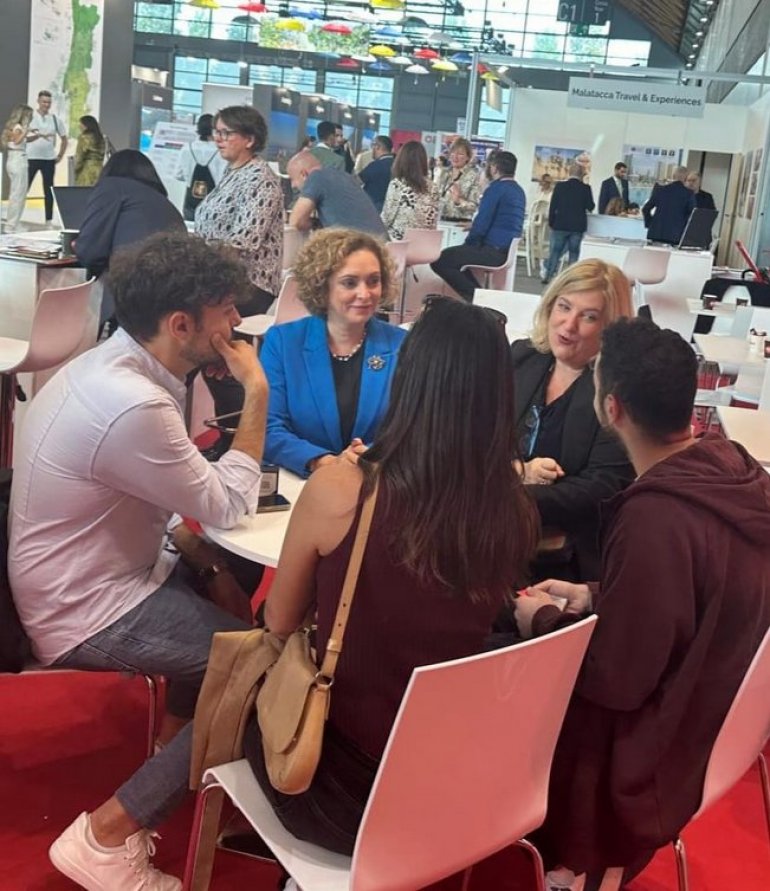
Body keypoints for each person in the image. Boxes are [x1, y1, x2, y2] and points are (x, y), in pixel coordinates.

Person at [8, 232, 270, 890]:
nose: (236, 322)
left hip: (97, 571)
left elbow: (170, 498)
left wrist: (199, 554)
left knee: (227, 577)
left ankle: (175, 746)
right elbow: (227, 503)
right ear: (181, 324)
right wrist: (258, 392)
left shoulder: (115, 366)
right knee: (260, 670)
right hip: (86, 606)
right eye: (225, 311)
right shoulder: (135, 401)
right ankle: (106, 836)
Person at [242, 296, 540, 863]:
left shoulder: (344, 490)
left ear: (409, 380)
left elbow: (278, 620)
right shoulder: (512, 510)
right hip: (450, 789)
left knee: (244, 677)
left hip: (334, 788)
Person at [515, 317, 770, 889]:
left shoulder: (656, 515)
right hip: (712, 723)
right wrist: (596, 594)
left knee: (511, 686)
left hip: (650, 753)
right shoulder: (735, 472)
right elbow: (701, 589)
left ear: (612, 409)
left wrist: (544, 620)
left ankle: (559, 863)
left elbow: (616, 681)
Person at [511, 259, 634, 580]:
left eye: (588, 317)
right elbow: (475, 440)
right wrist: (518, 472)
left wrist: (507, 495)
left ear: (610, 328)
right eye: (564, 307)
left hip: (564, 556)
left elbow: (602, 487)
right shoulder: (521, 358)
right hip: (488, 533)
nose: (568, 325)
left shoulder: (617, 390)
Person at [261, 228, 407, 477]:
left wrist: (365, 458)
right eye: (350, 283)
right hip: (302, 481)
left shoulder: (403, 345)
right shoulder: (283, 342)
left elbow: (412, 428)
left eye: (374, 281)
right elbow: (267, 427)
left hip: (378, 479)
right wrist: (322, 462)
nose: (365, 294)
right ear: (322, 286)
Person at [195, 105, 284, 455]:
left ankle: (239, 446)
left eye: (226, 133)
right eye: (216, 132)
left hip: (248, 284)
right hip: (222, 279)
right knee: (209, 356)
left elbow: (245, 240)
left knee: (216, 353)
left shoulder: (261, 179)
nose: (218, 139)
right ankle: (229, 442)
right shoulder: (233, 172)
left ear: (249, 139)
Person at [75, 149, 186, 329]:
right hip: (171, 295)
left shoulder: (111, 186)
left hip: (131, 292)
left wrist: (77, 246)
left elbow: (90, 251)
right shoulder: (166, 204)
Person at [430, 150, 525, 302]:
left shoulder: (495, 189)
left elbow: (481, 227)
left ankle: (478, 300)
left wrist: (467, 245)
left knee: (441, 260)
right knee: (456, 259)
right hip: (505, 251)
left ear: (494, 168)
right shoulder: (518, 191)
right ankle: (478, 296)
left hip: (492, 252)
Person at [286, 151, 388, 238]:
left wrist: (312, 223)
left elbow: (295, 222)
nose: (292, 185)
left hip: (361, 248)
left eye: (292, 179)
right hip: (382, 246)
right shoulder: (345, 176)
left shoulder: (316, 177)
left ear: (304, 174)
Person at [542, 163, 595, 284]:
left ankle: (548, 276)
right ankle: (571, 279)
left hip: (560, 224)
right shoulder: (585, 188)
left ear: (569, 173)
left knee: (555, 251)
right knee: (574, 252)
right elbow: (590, 206)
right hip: (577, 226)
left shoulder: (560, 186)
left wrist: (551, 222)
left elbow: (553, 206)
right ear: (581, 175)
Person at [380, 139, 439, 241]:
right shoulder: (433, 187)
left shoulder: (397, 184)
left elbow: (387, 218)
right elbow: (432, 221)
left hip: (399, 241)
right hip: (424, 243)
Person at [25, 89, 68, 226]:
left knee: (48, 190)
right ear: (38, 101)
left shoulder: (54, 119)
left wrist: (60, 155)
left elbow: (64, 138)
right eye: (44, 102)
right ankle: (15, 217)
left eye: (48, 102)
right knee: (24, 187)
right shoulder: (30, 117)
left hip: (48, 159)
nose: (46, 105)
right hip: (31, 157)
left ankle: (48, 219)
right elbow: (23, 136)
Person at [174, 113, 227, 221]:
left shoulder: (187, 148)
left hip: (191, 200)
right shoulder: (221, 150)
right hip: (215, 199)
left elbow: (178, 175)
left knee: (190, 228)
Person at [642, 166, 696, 245]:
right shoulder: (689, 194)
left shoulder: (660, 190)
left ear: (673, 176)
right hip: (675, 236)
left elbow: (645, 209)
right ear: (686, 178)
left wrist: (650, 224)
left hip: (655, 234)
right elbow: (692, 215)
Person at [1, 104, 33, 233]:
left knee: (16, 193)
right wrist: (25, 131)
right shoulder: (19, 127)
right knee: (18, 194)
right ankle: (12, 225)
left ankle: (13, 223)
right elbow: (17, 141)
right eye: (29, 115)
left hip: (12, 159)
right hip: (18, 160)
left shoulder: (11, 127)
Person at [437, 137, 482, 221]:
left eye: (460, 154)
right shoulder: (444, 173)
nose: (455, 157)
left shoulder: (474, 176)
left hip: (460, 222)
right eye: (453, 153)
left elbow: (474, 207)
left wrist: (458, 201)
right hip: (441, 220)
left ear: (468, 157)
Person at [358, 134, 395, 213]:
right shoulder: (398, 165)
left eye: (373, 146)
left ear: (377, 147)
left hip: (372, 208)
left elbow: (356, 181)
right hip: (391, 209)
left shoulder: (375, 165)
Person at [73, 115, 106, 186]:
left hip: (87, 171)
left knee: (85, 191)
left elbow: (79, 157)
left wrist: (76, 169)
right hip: (100, 170)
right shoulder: (101, 138)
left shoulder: (84, 138)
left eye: (81, 124)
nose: (79, 126)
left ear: (86, 125)